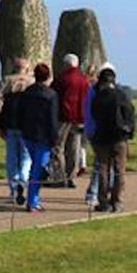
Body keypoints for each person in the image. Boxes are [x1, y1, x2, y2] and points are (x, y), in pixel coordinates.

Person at [90, 64, 135, 212]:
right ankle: (117, 200)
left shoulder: (98, 97)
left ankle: (103, 201)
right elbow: (130, 114)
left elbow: (94, 115)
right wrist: (129, 132)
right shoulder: (121, 95)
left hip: (102, 137)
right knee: (119, 170)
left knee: (103, 169)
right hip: (119, 137)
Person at [16, 64, 60, 212]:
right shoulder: (51, 95)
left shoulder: (27, 92)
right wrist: (55, 139)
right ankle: (33, 201)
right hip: (43, 137)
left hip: (28, 134)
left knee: (35, 166)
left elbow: (20, 113)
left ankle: (32, 197)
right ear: (48, 76)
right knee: (38, 169)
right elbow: (53, 120)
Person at [0, 57, 33, 205]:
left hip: (10, 123)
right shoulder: (31, 82)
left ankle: (14, 188)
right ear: (27, 68)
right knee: (26, 157)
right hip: (26, 124)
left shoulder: (6, 81)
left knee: (11, 157)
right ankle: (23, 181)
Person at [52, 54, 90, 187]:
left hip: (63, 117)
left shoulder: (62, 79)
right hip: (79, 118)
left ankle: (59, 177)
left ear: (66, 64)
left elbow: (53, 95)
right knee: (74, 148)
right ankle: (71, 176)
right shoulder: (84, 80)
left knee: (58, 148)